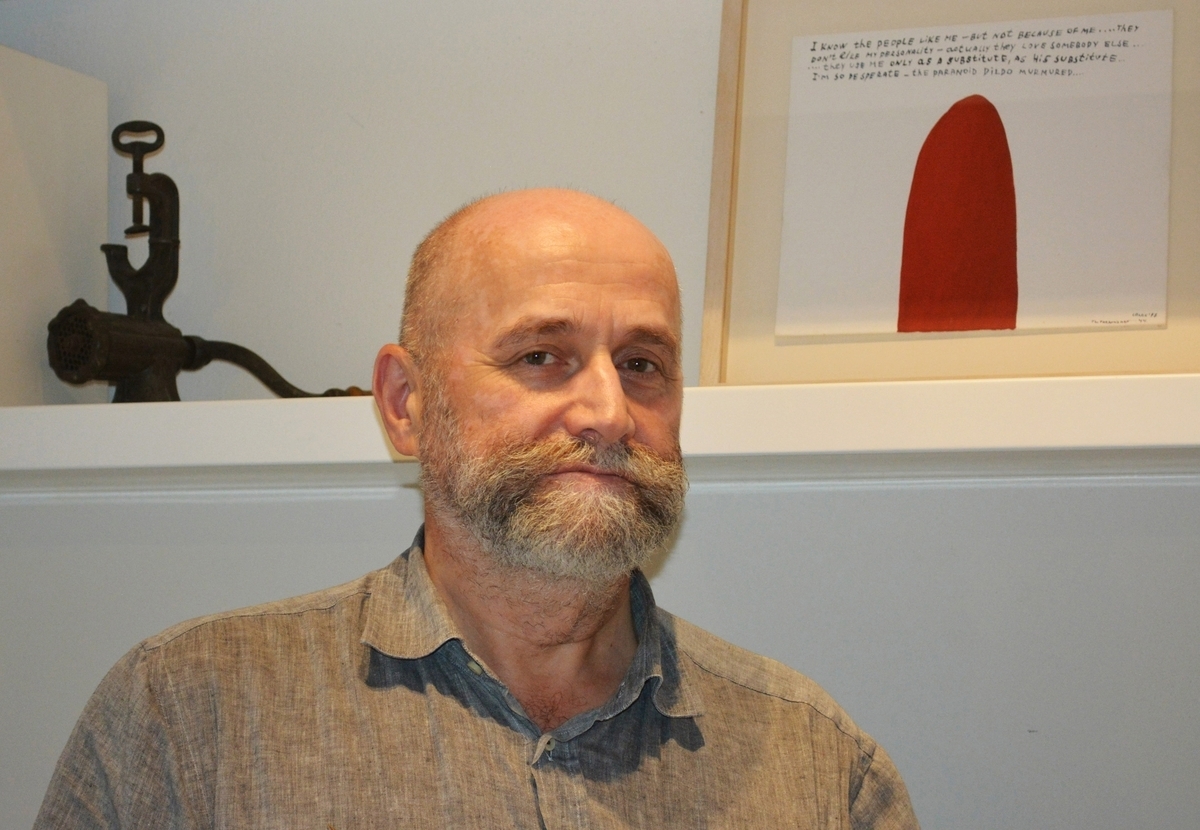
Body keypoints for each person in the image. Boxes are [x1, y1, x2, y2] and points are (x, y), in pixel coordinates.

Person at [35, 189, 920, 828]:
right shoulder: (189, 720)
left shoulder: (817, 768)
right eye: (541, 356)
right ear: (405, 403)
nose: (609, 412)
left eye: (642, 364)